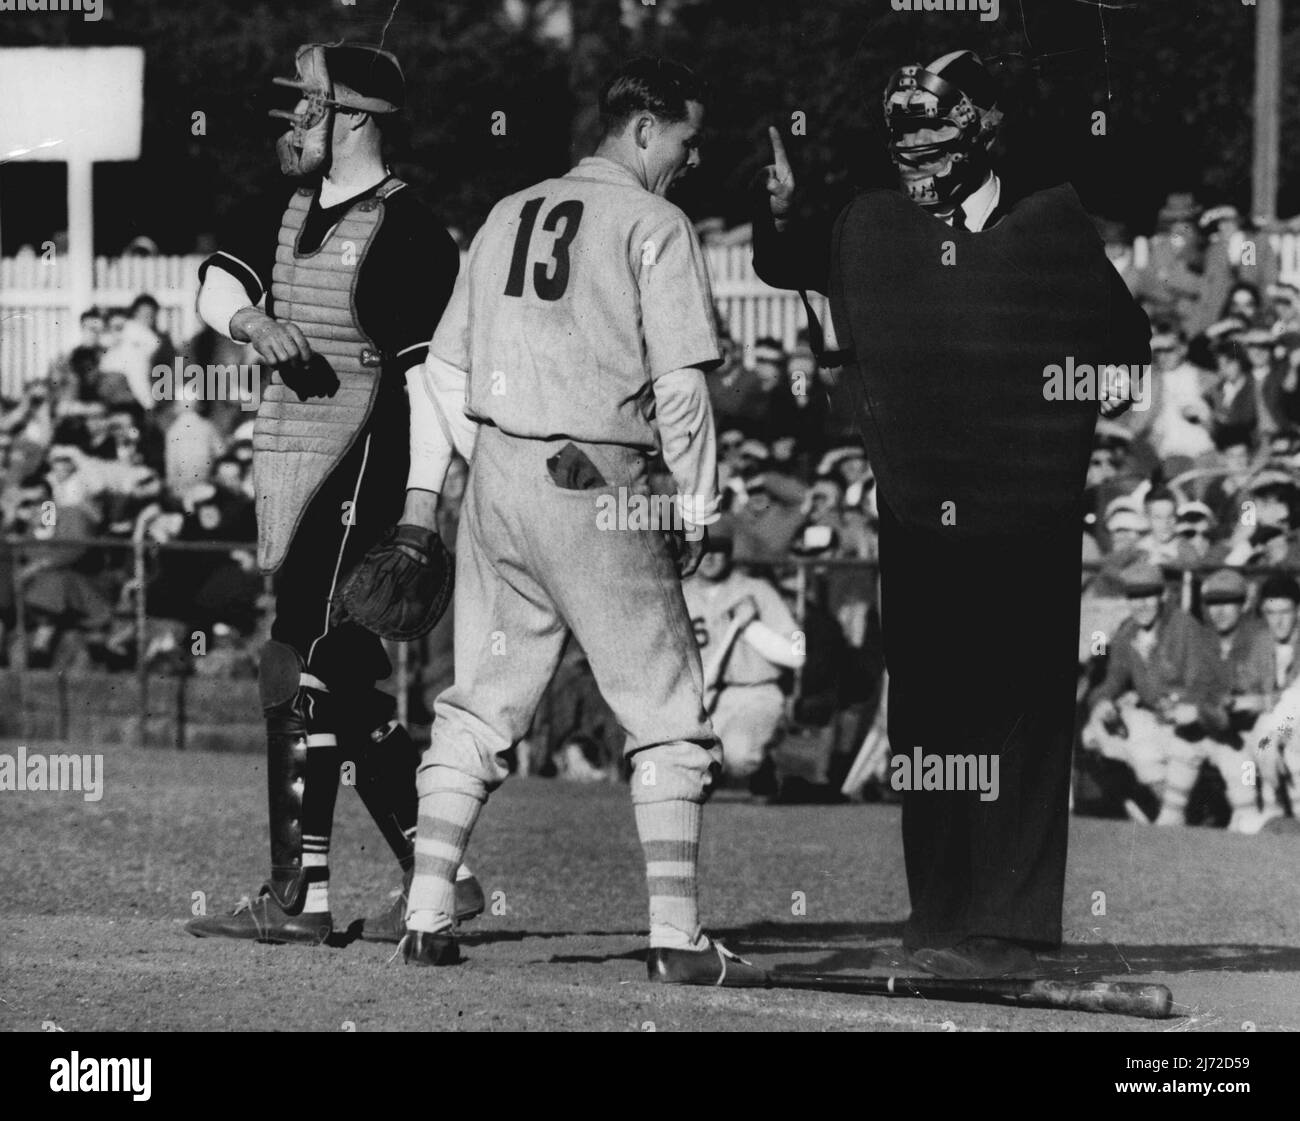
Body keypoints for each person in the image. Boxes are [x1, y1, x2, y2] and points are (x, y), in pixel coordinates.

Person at [754, 49, 1152, 978]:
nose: (919, 152)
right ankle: (939, 912)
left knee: (1021, 714)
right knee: (932, 714)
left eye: (937, 130)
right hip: (918, 518)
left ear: (985, 130)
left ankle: (1009, 927)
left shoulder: (1052, 223)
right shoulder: (870, 224)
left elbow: (1126, 349)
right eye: (903, 133)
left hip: (1028, 514)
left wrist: (1051, 413)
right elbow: (792, 253)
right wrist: (778, 211)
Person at [393, 57, 765, 985]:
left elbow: (440, 369)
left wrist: (478, 471)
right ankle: (676, 935)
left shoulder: (507, 209)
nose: (691, 155)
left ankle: (427, 910)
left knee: (481, 699)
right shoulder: (654, 221)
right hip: (600, 476)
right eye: (686, 136)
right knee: (667, 708)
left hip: (498, 477)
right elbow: (680, 389)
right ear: (644, 129)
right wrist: (699, 503)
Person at [185, 42, 482, 946]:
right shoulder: (286, 206)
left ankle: (298, 894)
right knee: (344, 686)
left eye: (309, 103)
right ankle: (449, 875)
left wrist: (423, 510)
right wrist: (249, 319)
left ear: (355, 115)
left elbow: (430, 384)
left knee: (297, 665)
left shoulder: (412, 232)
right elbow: (217, 281)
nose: (293, 118)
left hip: (367, 465)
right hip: (302, 466)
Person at [1082, 563, 1229, 826]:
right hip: (1158, 721)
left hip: (1194, 725)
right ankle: (1172, 813)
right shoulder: (1128, 632)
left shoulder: (1184, 626)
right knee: (1095, 733)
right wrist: (1102, 701)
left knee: (1145, 743)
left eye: (1148, 595)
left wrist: (1174, 702)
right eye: (1135, 597)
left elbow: (1203, 686)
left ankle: (1186, 814)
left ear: (1162, 596)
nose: (1142, 604)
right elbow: (1113, 678)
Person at [682, 532, 804, 793]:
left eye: (718, 550)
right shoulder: (682, 594)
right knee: (681, 765)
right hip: (702, 698)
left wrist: (752, 627)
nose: (711, 557)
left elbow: (797, 651)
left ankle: (765, 764)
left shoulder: (756, 589)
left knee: (738, 757)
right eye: (703, 550)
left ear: (729, 554)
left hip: (755, 693)